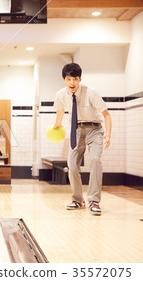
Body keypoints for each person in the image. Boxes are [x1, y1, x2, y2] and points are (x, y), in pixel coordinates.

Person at [53, 63, 112, 215]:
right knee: (72, 165)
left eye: (75, 79)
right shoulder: (60, 95)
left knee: (95, 161)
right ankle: (78, 200)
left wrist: (108, 134)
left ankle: (94, 201)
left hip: (95, 129)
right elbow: (60, 113)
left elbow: (106, 115)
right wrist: (56, 126)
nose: (72, 83)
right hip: (77, 130)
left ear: (80, 79)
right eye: (68, 79)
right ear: (63, 80)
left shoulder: (91, 92)